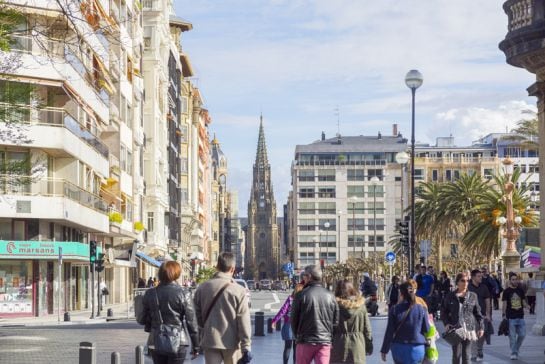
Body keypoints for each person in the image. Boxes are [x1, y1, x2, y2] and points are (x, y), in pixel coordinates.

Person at [193, 252, 251, 364]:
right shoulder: (239, 291)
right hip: (232, 343)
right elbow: (243, 321)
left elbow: (196, 315)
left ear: (217, 267)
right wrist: (246, 346)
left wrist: (205, 328)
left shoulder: (202, 288)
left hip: (210, 340)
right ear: (233, 269)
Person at [137, 261, 200, 364]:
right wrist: (196, 346)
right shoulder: (184, 293)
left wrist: (152, 318)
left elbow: (141, 319)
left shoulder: (150, 293)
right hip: (179, 341)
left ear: (160, 274)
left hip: (156, 340)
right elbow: (191, 323)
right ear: (177, 273)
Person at [291, 265, 338, 364]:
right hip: (324, 341)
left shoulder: (301, 295)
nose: (303, 278)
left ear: (309, 277)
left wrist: (297, 336)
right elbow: (335, 321)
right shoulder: (330, 296)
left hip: (305, 340)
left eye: (304, 275)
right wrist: (330, 338)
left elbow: (294, 319)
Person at [380, 282, 430, 364]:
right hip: (417, 347)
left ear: (401, 294)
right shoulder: (421, 309)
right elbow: (426, 329)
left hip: (399, 348)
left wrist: (384, 350)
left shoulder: (394, 309)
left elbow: (389, 331)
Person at [441, 272, 484, 364]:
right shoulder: (450, 296)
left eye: (467, 281)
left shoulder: (472, 296)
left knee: (466, 356)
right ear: (457, 282)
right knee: (456, 355)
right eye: (462, 281)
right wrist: (446, 323)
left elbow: (478, 313)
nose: (465, 283)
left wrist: (481, 327)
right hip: (455, 329)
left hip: (468, 329)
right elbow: (443, 311)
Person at [330, 280, 372, 364]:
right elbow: (367, 329)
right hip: (357, 347)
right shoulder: (361, 307)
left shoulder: (333, 306)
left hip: (338, 346)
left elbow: (329, 329)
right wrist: (368, 346)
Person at [272, 283, 304, 364]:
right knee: (296, 349)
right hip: (298, 327)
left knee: (287, 348)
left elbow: (283, 311)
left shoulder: (290, 299)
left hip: (288, 325)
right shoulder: (303, 301)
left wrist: (274, 320)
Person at [502, 272, 526, 360]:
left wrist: (527, 306)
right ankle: (513, 352)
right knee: (512, 337)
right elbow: (504, 304)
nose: (515, 281)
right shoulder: (506, 291)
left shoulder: (520, 290)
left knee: (522, 335)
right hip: (510, 317)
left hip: (520, 316)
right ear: (510, 281)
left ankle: (515, 349)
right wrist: (503, 315)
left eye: (516, 279)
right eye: (513, 280)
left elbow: (523, 301)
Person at [468, 269, 490, 362]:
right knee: (473, 335)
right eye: (478, 276)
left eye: (481, 276)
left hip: (482, 315)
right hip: (471, 315)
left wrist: (488, 314)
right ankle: (473, 354)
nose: (481, 278)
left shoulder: (484, 287)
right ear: (473, 277)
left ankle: (479, 349)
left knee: (481, 335)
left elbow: (488, 301)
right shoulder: (468, 287)